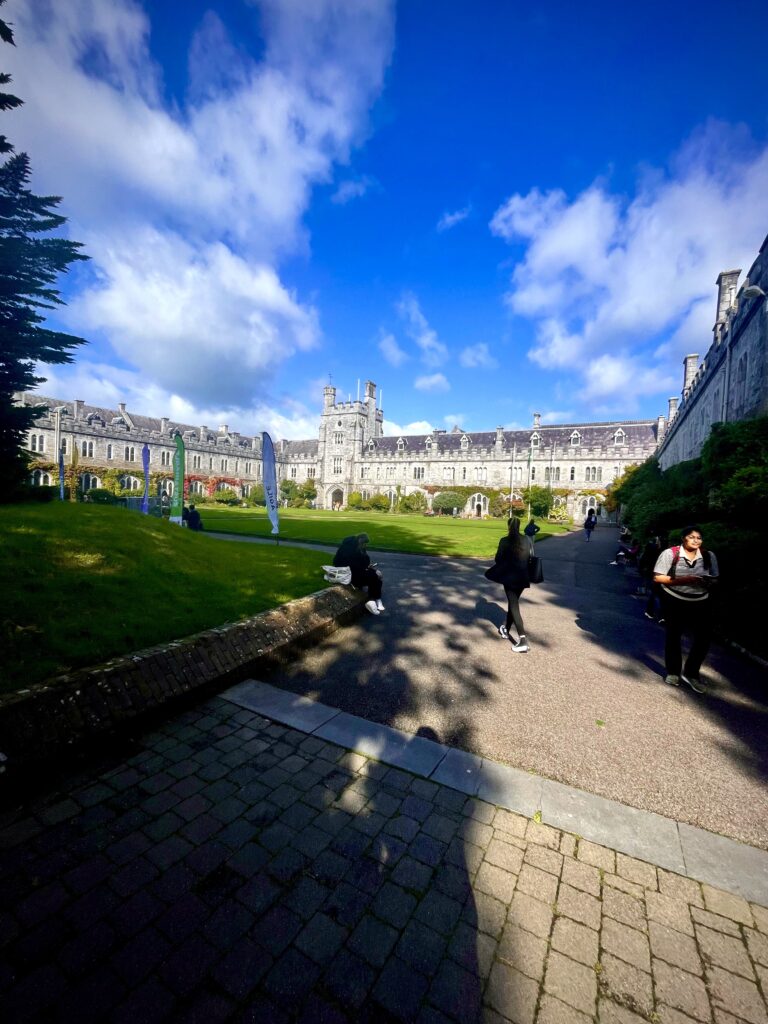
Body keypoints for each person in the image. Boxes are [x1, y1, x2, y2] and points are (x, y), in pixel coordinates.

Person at [653, 525, 719, 694]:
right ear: (683, 538)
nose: (695, 540)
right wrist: (685, 579)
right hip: (674, 599)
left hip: (701, 600)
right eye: (691, 537)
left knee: (703, 638)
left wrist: (707, 582)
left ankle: (691, 673)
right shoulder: (670, 554)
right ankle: (673, 672)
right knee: (674, 636)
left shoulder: (708, 556)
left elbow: (715, 578)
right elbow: (658, 576)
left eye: (699, 538)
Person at [488, 517, 531, 653]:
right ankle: (506, 629)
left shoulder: (505, 540)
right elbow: (530, 557)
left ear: (508, 526)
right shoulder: (526, 539)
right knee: (513, 603)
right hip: (524, 576)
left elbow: (498, 559)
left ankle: (523, 640)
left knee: (514, 605)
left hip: (510, 577)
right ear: (519, 526)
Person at [333, 533, 384, 615]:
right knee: (375, 576)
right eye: (363, 544)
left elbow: (363, 562)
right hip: (347, 572)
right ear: (359, 541)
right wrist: (372, 571)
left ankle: (374, 599)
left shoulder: (359, 547)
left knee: (376, 578)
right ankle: (373, 600)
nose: (365, 546)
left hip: (354, 570)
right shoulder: (348, 548)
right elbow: (353, 565)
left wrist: (369, 567)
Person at [639, 536, 664, 620]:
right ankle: (661, 615)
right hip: (661, 574)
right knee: (660, 594)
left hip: (652, 572)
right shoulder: (662, 552)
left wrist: (641, 569)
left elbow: (644, 559)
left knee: (654, 593)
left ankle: (650, 611)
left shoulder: (651, 548)